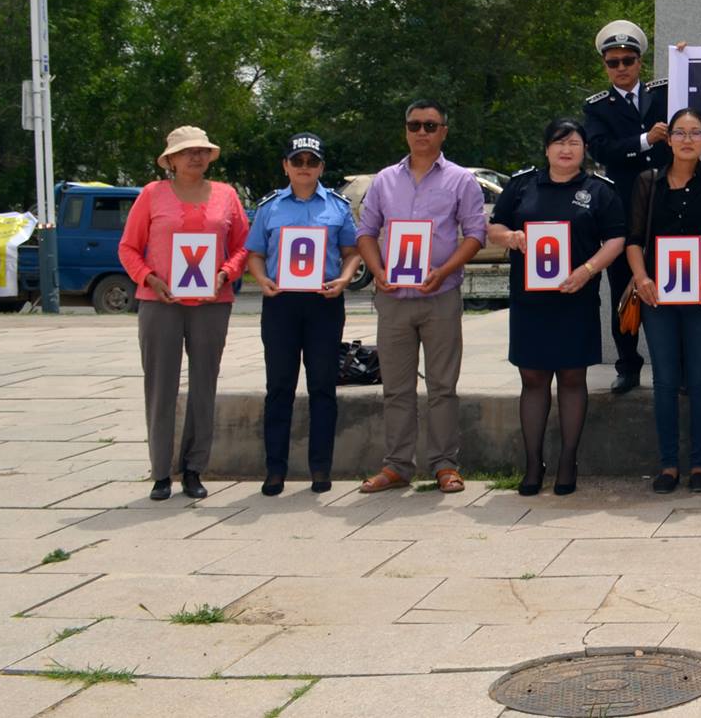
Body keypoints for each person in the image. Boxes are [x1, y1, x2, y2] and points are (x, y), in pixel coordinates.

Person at [486, 118, 627, 496]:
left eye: (575, 143)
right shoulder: (521, 186)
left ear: (584, 150)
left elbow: (616, 238)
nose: (567, 150)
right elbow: (492, 227)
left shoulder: (599, 190)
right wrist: (511, 237)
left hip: (575, 299)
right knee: (532, 380)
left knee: (571, 379)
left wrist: (587, 269)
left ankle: (568, 460)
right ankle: (533, 463)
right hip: (530, 302)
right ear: (547, 148)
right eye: (559, 142)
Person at [354, 99, 486, 495]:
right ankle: (397, 465)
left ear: (444, 130)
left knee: (443, 386)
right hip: (393, 297)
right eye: (415, 125)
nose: (422, 132)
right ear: (405, 130)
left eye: (431, 125)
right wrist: (377, 271)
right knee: (396, 387)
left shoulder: (462, 180)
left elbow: (475, 234)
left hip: (440, 294)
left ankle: (445, 464)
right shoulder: (383, 180)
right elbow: (365, 232)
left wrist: (444, 271)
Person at [118, 126, 249, 502]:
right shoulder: (151, 194)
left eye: (202, 151)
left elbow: (242, 245)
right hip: (161, 304)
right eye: (186, 152)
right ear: (170, 160)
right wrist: (148, 278)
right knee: (161, 387)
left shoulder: (226, 196)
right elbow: (128, 248)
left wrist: (226, 273)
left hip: (211, 304)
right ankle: (161, 471)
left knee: (204, 384)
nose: (195, 157)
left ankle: (194, 468)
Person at [627, 109, 701, 494]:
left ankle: (700, 464)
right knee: (665, 380)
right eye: (680, 133)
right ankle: (669, 463)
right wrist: (641, 279)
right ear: (668, 138)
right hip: (658, 296)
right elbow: (633, 240)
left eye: (695, 133)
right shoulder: (647, 182)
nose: (687, 139)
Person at [243, 133, 356, 496]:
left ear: (321, 167)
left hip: (324, 302)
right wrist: (261, 280)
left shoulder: (337, 206)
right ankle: (275, 469)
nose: (304, 168)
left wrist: (343, 278)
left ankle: (320, 468)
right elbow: (255, 254)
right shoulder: (270, 207)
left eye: (311, 162)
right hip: (281, 303)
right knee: (279, 386)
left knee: (323, 386)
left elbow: (352, 251)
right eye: (298, 161)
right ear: (286, 166)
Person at [583, 20, 669, 395]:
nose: (621, 68)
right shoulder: (597, 107)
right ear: (605, 65)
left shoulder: (664, 93)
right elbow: (601, 149)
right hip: (622, 207)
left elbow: (695, 113)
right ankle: (628, 365)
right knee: (623, 286)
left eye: (628, 60)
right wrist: (645, 140)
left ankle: (673, 365)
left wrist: (687, 58)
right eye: (613, 62)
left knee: (669, 285)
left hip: (668, 204)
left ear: (640, 62)